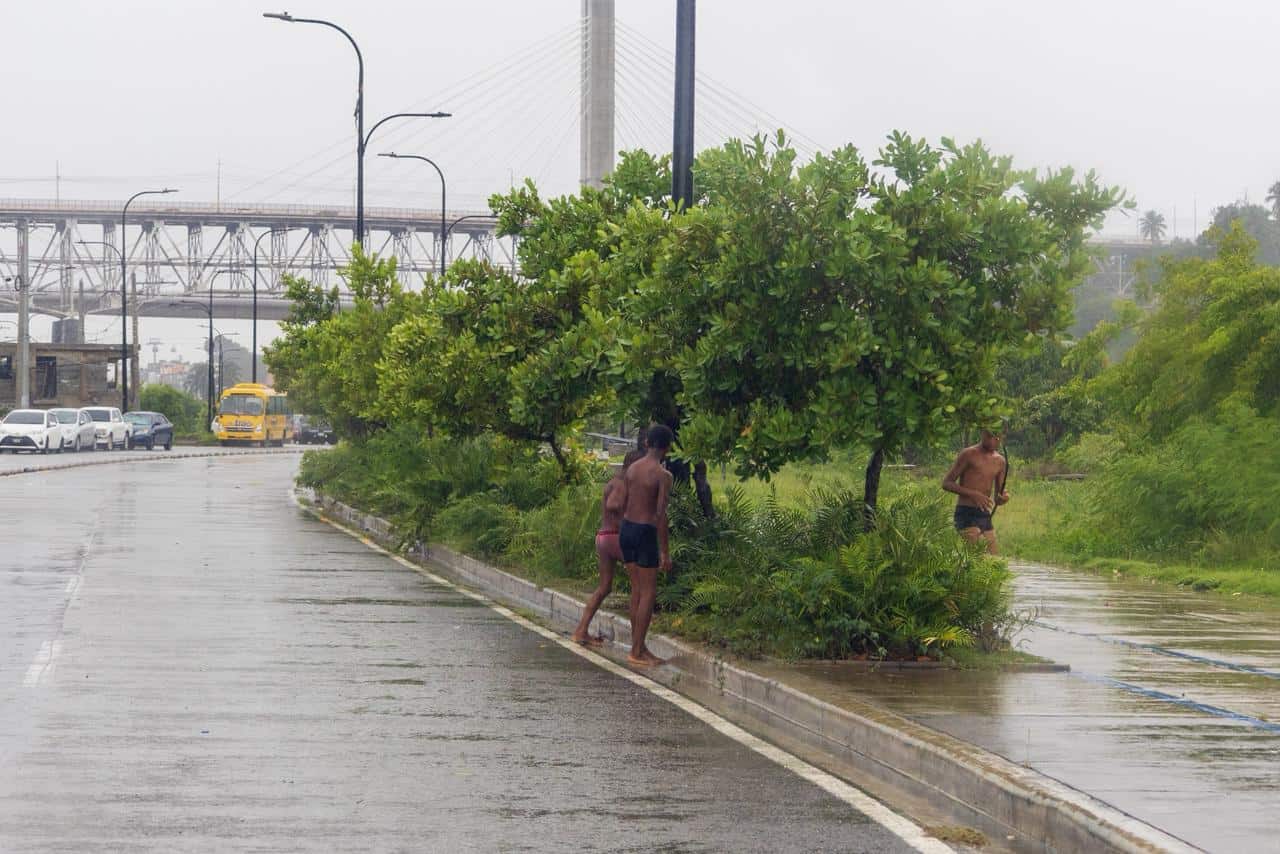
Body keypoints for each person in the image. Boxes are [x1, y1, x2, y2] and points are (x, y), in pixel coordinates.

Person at [571, 448, 644, 647]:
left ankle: (581, 630)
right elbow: (613, 505)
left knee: (604, 587)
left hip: (604, 537)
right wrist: (628, 527)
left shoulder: (614, 481)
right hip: (615, 537)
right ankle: (638, 644)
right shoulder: (622, 484)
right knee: (639, 587)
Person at [618, 424, 674, 667]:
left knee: (636, 590)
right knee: (648, 593)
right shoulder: (663, 475)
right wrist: (665, 551)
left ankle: (639, 646)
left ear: (647, 443)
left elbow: (624, 500)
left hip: (626, 530)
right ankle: (636, 650)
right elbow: (660, 514)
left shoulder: (632, 468)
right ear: (668, 448)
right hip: (644, 532)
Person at [942, 428, 1009, 553]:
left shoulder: (1000, 461)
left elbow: (998, 498)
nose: (993, 440)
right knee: (978, 555)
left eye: (997, 437)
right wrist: (973, 494)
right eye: (990, 436)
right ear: (982, 433)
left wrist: (1005, 498)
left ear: (1001, 437)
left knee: (994, 558)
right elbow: (947, 483)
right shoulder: (968, 454)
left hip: (984, 514)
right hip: (965, 512)